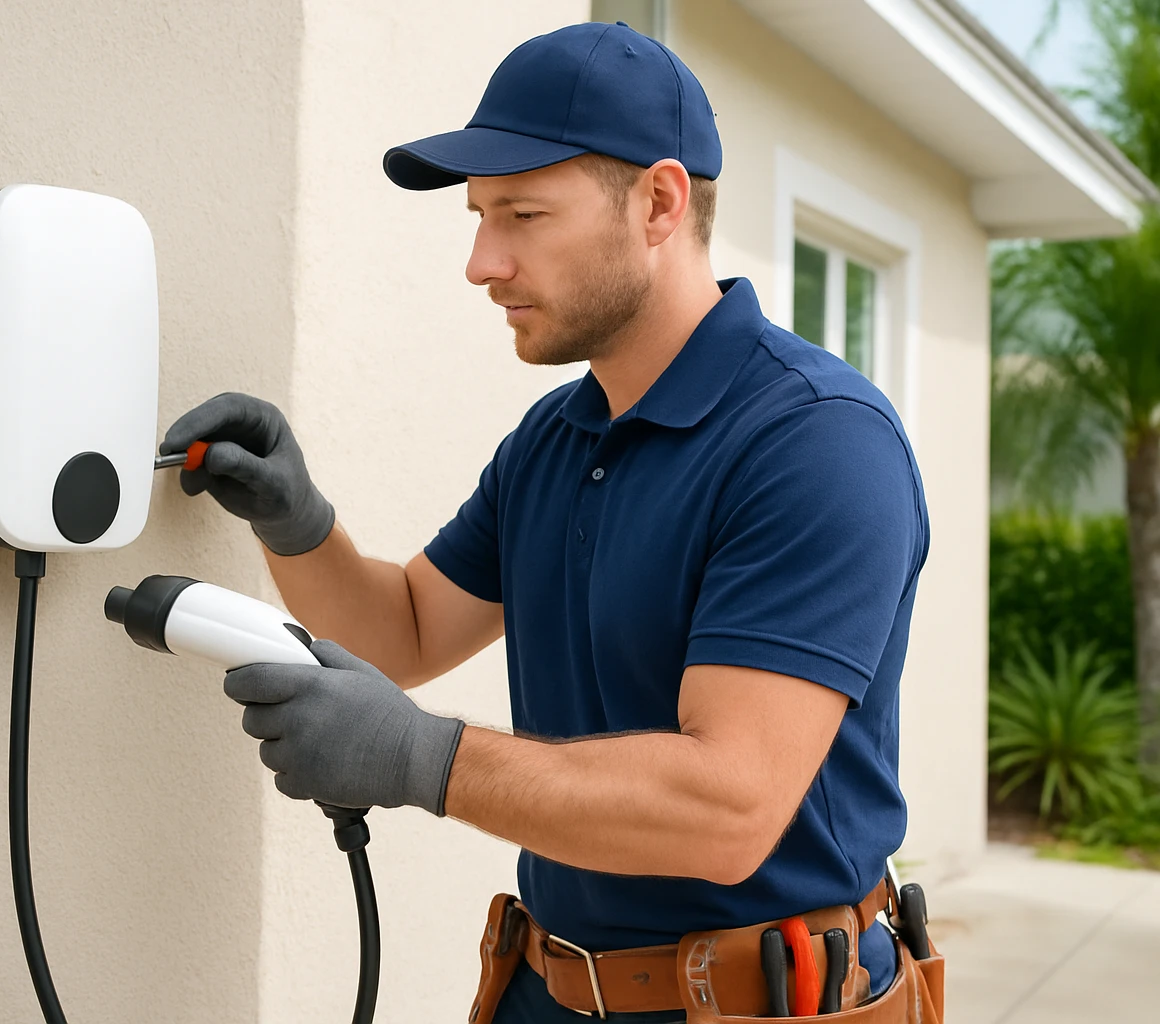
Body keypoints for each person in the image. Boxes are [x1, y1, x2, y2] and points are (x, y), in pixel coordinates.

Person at [161, 21, 932, 1023]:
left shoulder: (816, 442)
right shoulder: (558, 437)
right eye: (480, 217)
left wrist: (420, 759)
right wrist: (297, 522)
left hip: (763, 1001)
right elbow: (404, 630)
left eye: (521, 214)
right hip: (546, 988)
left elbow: (728, 805)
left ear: (659, 201)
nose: (483, 263)